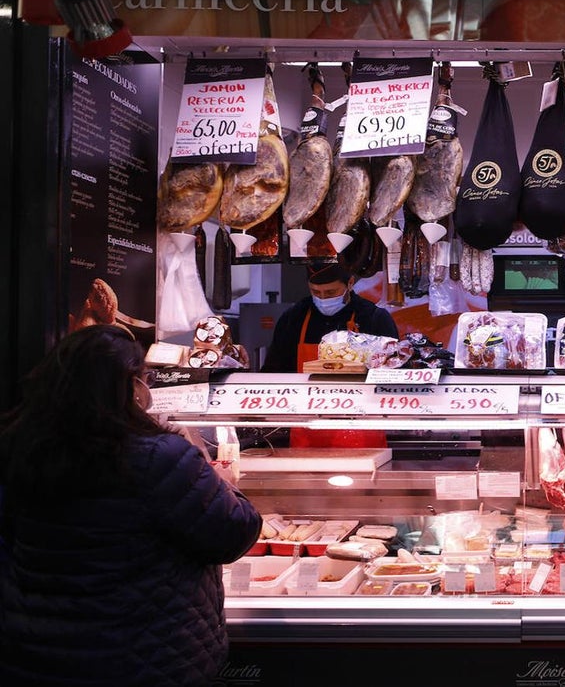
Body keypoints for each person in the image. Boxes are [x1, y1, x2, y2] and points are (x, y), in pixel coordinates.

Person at [0, 325, 263, 685]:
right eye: (144, 378)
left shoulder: (20, 446)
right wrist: (220, 480)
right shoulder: (157, 455)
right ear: (129, 386)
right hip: (143, 657)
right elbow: (234, 532)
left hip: (37, 653)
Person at [261, 260, 400, 373]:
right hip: (304, 402)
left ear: (350, 283)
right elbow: (273, 371)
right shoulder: (293, 318)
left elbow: (393, 371)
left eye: (330, 292)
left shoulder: (374, 318)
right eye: (315, 292)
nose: (322, 298)